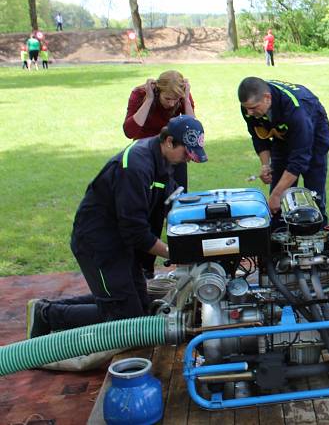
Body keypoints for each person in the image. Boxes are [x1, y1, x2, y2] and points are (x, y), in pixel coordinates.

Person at [25, 116, 208, 338]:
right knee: (125, 321)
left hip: (120, 241)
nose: (187, 160)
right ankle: (47, 315)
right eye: (186, 153)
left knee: (138, 307)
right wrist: (175, 253)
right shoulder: (137, 166)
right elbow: (135, 230)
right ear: (169, 141)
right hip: (98, 243)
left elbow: (171, 199)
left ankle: (46, 308)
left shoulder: (162, 158)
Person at [123, 70, 195, 278]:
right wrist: (149, 100)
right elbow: (130, 131)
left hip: (174, 155)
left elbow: (192, 130)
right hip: (147, 156)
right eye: (167, 98)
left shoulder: (182, 97)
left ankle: (182, 262)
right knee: (151, 212)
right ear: (157, 90)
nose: (172, 103)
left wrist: (186, 99)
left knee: (178, 209)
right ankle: (144, 268)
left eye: (176, 99)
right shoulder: (140, 95)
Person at [239, 77, 329, 220]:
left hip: (313, 132)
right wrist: (265, 165)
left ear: (267, 98)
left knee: (314, 193)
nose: (249, 113)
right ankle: (279, 232)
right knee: (279, 200)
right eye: (246, 108)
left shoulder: (296, 109)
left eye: (253, 108)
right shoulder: (250, 106)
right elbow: (258, 137)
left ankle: (319, 227)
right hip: (282, 134)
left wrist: (276, 195)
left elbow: (300, 159)